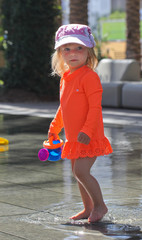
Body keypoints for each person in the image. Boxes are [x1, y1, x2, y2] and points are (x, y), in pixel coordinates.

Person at [48, 24, 113, 223]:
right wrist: (54, 126)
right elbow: (64, 106)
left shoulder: (89, 77)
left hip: (88, 135)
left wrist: (86, 129)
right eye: (66, 49)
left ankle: (100, 206)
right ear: (60, 53)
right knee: (78, 173)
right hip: (74, 137)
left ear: (88, 51)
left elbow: (95, 108)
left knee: (81, 171)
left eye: (79, 48)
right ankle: (88, 208)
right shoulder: (66, 77)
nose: (72, 53)